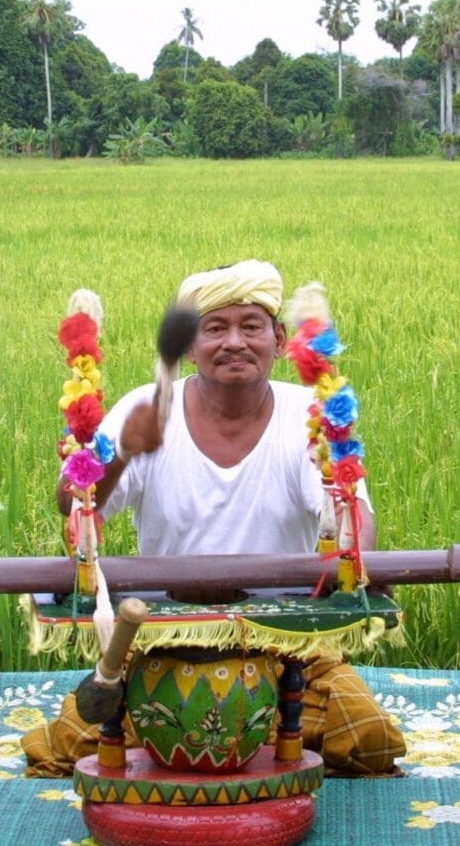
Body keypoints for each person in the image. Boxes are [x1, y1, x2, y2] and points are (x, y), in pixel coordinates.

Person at [22, 260, 405, 778]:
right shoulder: (146, 408)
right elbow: (78, 508)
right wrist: (110, 460)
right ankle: (255, 734)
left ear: (279, 338)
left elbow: (353, 515)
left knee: (370, 740)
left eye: (251, 326)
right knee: (63, 746)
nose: (234, 342)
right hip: (162, 638)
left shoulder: (308, 416)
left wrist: (353, 536)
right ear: (189, 346)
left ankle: (253, 728)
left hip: (286, 638)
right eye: (215, 328)